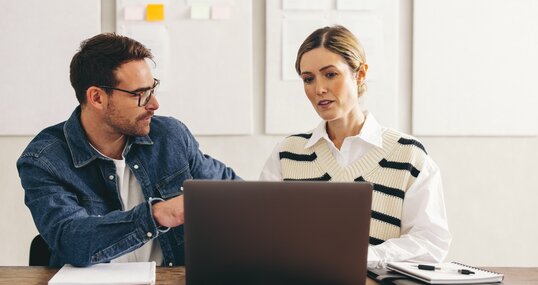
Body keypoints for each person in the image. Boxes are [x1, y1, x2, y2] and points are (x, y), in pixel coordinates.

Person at [17, 33, 240, 267]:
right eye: (139, 94)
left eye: (152, 89)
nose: (154, 104)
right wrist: (157, 215)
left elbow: (234, 194)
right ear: (97, 97)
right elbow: (71, 241)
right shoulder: (43, 159)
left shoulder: (170, 136)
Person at [260, 25, 451, 268]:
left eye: (330, 74)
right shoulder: (287, 153)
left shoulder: (409, 155)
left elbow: (431, 241)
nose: (318, 89)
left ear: (359, 74)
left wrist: (364, 256)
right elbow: (265, 234)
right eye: (308, 79)